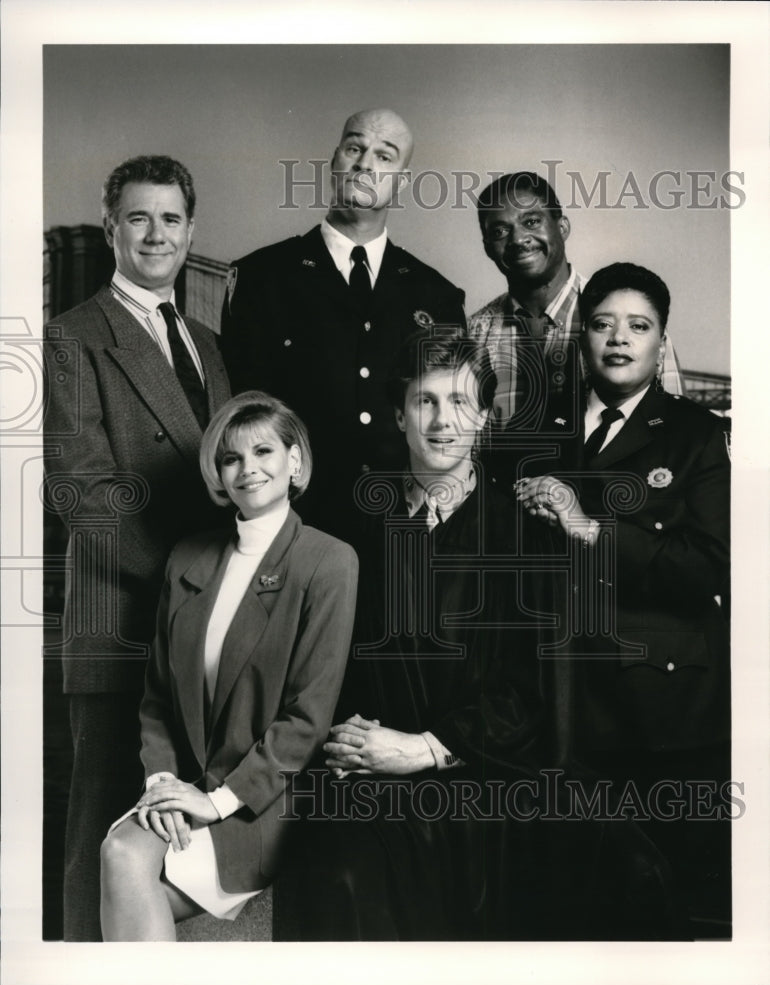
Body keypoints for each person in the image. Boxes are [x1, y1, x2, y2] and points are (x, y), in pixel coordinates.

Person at [284, 330, 676, 941]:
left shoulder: (524, 534)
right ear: (399, 413)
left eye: (462, 403)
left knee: (631, 868)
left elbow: (536, 690)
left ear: (487, 418)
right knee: (340, 873)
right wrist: (362, 748)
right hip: (372, 769)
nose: (444, 422)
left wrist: (427, 747)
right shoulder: (348, 528)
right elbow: (314, 666)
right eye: (426, 402)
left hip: (496, 768)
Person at [43, 155, 231, 940]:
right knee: (104, 830)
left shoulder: (208, 343)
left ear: (192, 230)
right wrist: (191, 585)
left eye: (172, 219)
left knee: (173, 838)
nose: (157, 234)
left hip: (201, 625)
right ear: (112, 226)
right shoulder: (71, 337)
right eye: (139, 218)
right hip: (125, 620)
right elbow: (84, 493)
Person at [515, 262, 731, 935]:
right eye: (603, 323)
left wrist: (589, 528)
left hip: (661, 713)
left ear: (661, 343)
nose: (618, 338)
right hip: (555, 702)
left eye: (638, 326)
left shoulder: (694, 434)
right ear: (582, 335)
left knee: (669, 908)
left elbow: (709, 568)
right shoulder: (540, 426)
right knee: (569, 906)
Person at [99, 392, 358, 940]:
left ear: (295, 461)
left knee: (126, 876)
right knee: (121, 850)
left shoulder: (329, 560)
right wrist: (164, 784)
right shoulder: (188, 557)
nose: (248, 469)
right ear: (218, 474)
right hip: (187, 783)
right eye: (231, 458)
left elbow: (306, 720)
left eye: (263, 451)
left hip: (267, 798)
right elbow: (158, 698)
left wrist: (214, 802)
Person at [220, 108, 466, 544]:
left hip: (405, 533)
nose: (366, 164)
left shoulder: (437, 296)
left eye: (385, 156)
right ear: (334, 161)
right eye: (355, 148)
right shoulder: (263, 277)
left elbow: (450, 423)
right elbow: (243, 413)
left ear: (402, 180)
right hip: (294, 531)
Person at [469, 172, 684, 438]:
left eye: (532, 221)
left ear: (562, 228)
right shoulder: (475, 333)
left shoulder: (630, 322)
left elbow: (675, 435)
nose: (518, 239)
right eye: (500, 231)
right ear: (488, 247)